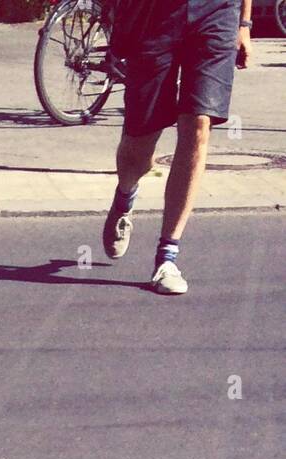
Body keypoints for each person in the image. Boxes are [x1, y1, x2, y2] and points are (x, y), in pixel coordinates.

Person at [101, 0, 253, 294]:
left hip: (216, 12)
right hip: (153, 15)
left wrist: (244, 24)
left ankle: (167, 256)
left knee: (198, 123)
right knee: (139, 147)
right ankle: (125, 194)